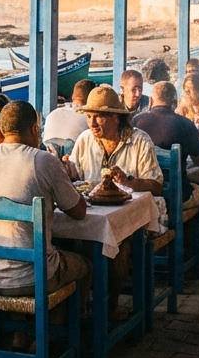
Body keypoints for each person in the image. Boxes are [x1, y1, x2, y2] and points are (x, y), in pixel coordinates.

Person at [0, 101, 90, 299]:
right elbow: (79, 212)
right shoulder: (44, 160)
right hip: (30, 277)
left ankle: (21, 330)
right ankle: (59, 325)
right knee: (85, 265)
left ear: (3, 128)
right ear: (34, 128)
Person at [68, 85, 162, 314]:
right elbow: (77, 179)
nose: (91, 124)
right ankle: (78, 308)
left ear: (116, 118)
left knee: (122, 244)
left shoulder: (139, 140)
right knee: (71, 242)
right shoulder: (84, 140)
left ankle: (110, 305)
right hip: (94, 213)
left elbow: (157, 186)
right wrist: (66, 169)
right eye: (89, 117)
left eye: (98, 117)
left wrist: (129, 181)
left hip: (133, 215)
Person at [135, 82, 199, 226]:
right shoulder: (185, 124)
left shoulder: (136, 121)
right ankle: (191, 238)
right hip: (176, 196)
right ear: (175, 103)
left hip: (143, 194)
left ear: (151, 101)